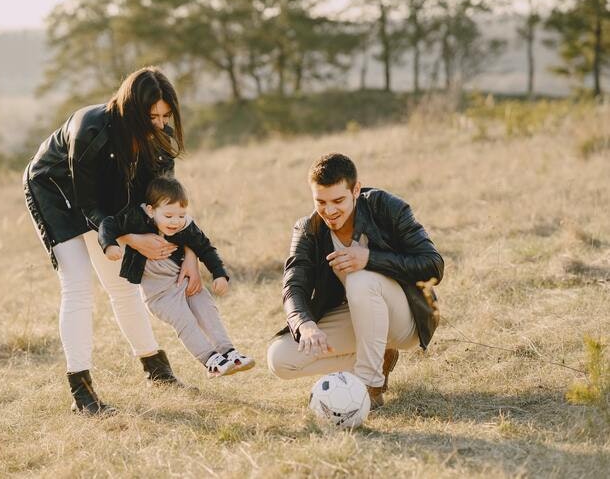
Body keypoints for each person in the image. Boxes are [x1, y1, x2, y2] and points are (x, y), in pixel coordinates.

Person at [23, 66, 202, 415]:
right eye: (152, 116)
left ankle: (156, 369)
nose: (161, 125)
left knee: (123, 284)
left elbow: (167, 207)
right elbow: (87, 202)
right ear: (132, 111)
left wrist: (190, 253)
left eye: (167, 116)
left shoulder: (161, 145)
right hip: (56, 190)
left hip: (104, 201)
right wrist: (130, 237)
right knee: (77, 285)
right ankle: (82, 392)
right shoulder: (88, 129)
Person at [267, 153, 444, 409]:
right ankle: (378, 358)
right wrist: (305, 325)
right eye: (321, 201)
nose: (329, 210)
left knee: (360, 280)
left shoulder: (386, 207)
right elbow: (294, 284)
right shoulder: (308, 229)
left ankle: (367, 386)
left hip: (405, 318)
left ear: (356, 190)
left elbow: (433, 265)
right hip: (355, 315)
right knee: (280, 359)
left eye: (338, 200)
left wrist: (370, 258)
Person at [98, 176, 255, 378]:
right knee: (185, 321)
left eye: (181, 215)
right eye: (169, 215)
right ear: (150, 210)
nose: (175, 221)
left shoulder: (184, 226)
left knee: (207, 309)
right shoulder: (135, 219)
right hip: (160, 295)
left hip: (185, 283)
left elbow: (205, 247)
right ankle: (211, 360)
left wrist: (219, 274)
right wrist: (109, 245)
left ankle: (228, 352)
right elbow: (107, 224)